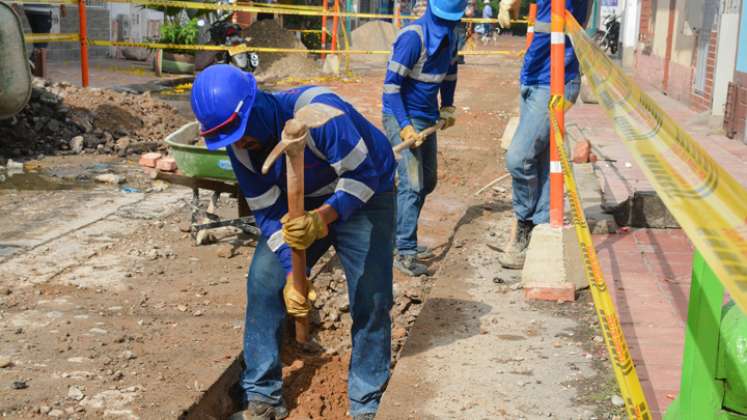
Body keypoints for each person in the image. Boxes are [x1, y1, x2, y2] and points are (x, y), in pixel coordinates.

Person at [190, 65, 397, 420]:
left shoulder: (320, 114)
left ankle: (365, 398)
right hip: (303, 199)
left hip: (368, 190)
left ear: (255, 106)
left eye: (240, 134)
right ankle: (263, 395)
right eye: (230, 139)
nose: (239, 143)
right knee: (263, 280)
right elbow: (267, 209)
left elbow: (363, 176)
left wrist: (322, 219)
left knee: (371, 293)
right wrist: (291, 273)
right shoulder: (239, 149)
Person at [497, 0, 590, 269]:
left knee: (519, 157)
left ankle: (525, 222)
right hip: (534, 75)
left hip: (555, 80)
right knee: (542, 157)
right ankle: (539, 226)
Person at [382, 0, 466, 277]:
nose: (447, 25)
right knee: (412, 184)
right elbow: (391, 89)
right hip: (401, 115)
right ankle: (404, 250)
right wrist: (405, 126)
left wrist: (448, 106)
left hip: (427, 117)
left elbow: (450, 75)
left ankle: (399, 236)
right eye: (443, 19)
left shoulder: (453, 37)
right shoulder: (411, 39)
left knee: (427, 182)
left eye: (451, 20)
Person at [21, 2, 65, 78]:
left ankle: (34, 71)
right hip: (43, 9)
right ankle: (30, 63)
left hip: (28, 8)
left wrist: (14, 4)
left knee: (38, 39)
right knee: (42, 43)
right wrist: (63, 5)